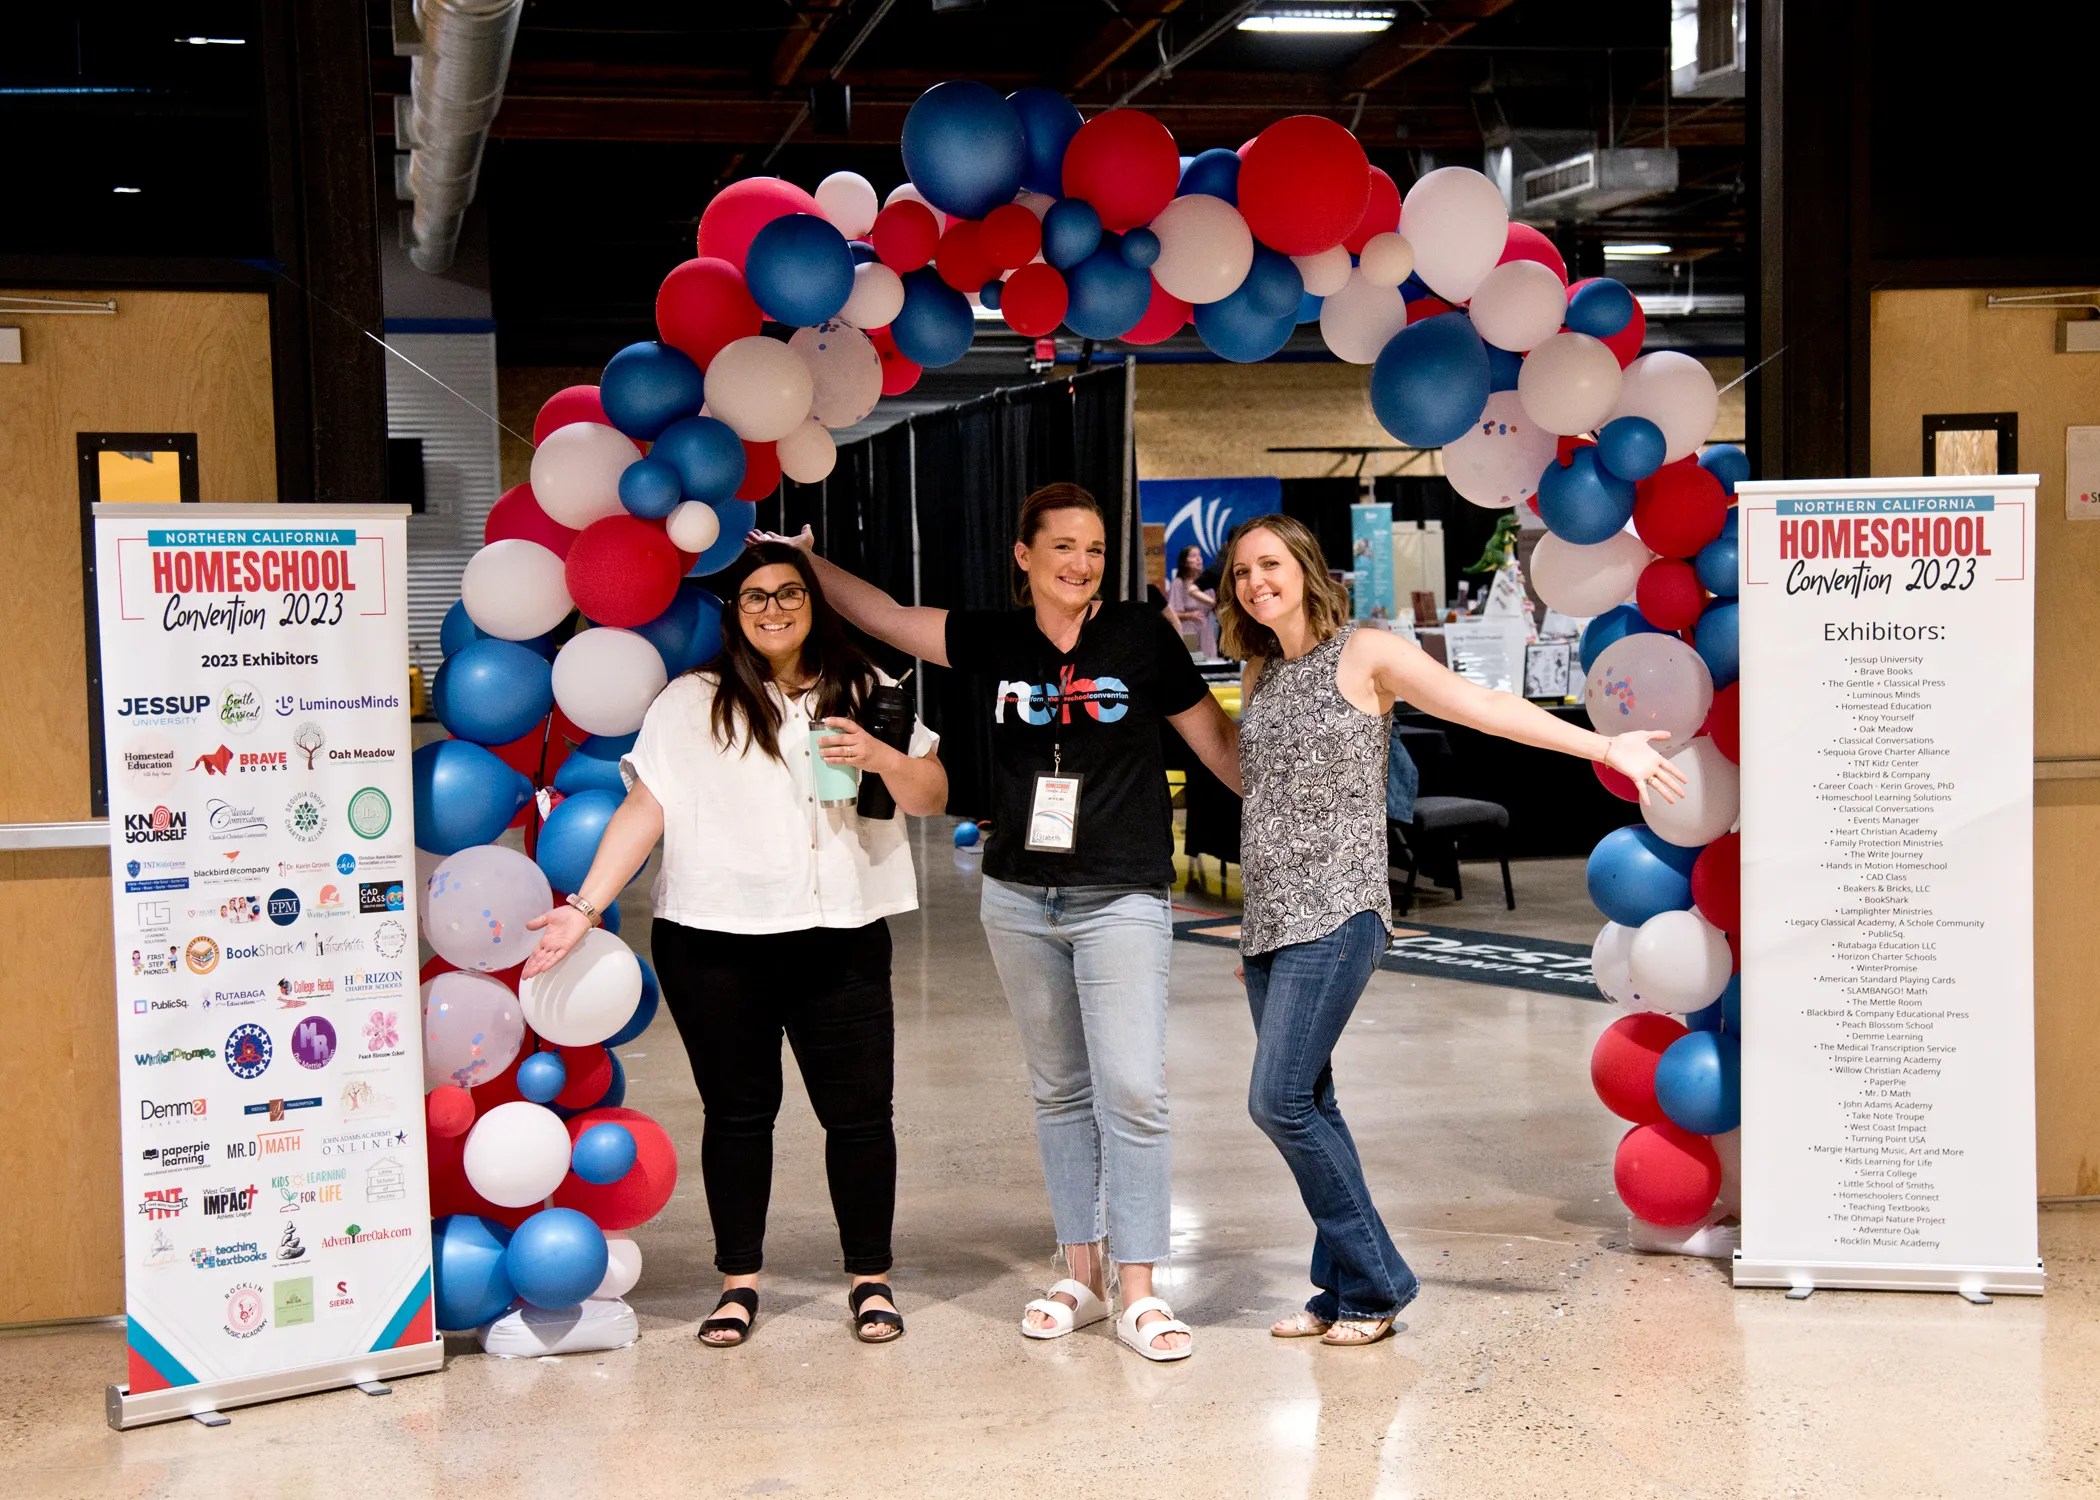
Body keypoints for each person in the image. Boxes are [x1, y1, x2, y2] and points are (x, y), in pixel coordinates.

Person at [752, 481, 1242, 1363]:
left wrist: (1315, 814)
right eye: (1064, 547)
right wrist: (802, 563)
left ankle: (1140, 1290)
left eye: (1095, 550)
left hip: (1120, 895)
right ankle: (1081, 1276)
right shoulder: (997, 638)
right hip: (1019, 895)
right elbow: (886, 616)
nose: (1082, 564)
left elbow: (1221, 749)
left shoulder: (1140, 634)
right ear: (1025, 555)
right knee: (1060, 1091)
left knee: (1133, 1088)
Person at [1218, 514, 1686, 1348]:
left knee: (1278, 1101)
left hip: (1340, 910)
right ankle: (1339, 1288)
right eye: (1242, 571)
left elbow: (1485, 708)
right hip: (1272, 921)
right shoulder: (1261, 672)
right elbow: (1267, 799)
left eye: (1270, 564)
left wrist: (1604, 747)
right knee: (1313, 1103)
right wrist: (1255, 931)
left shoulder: (1366, 653)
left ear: (1306, 567)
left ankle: (1380, 1281)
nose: (1256, 582)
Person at [520, 542, 947, 1350]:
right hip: (716, 943)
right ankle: (738, 1282)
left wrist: (883, 756)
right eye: (756, 596)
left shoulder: (865, 686)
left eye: (790, 593)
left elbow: (930, 795)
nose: (774, 609)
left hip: (841, 936)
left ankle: (871, 1278)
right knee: (739, 1116)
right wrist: (583, 907)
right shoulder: (692, 700)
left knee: (860, 1117)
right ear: (735, 613)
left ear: (814, 602)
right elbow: (645, 807)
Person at [1166, 544, 1219, 658]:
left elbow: (1214, 606)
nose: (1198, 559)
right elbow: (1171, 614)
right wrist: (1190, 615)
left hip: (1205, 631)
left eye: (1199, 556)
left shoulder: (1206, 583)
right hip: (1188, 631)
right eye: (1193, 556)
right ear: (1185, 562)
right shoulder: (1178, 583)